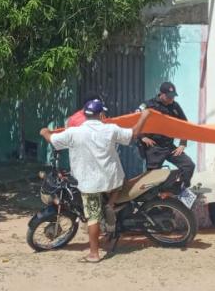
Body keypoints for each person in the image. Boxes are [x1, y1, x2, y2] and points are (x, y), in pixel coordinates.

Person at [40, 100, 150, 263]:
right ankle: (110, 205)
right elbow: (133, 134)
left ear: (85, 114)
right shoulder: (110, 129)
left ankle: (94, 254)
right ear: (101, 115)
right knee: (119, 182)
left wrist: (44, 132)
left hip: (89, 184)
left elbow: (52, 139)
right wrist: (144, 117)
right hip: (112, 181)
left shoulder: (73, 133)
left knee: (93, 217)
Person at [140, 81, 195, 188]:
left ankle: (179, 191)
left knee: (189, 165)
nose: (172, 99)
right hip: (154, 147)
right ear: (162, 94)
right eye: (169, 96)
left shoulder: (175, 106)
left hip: (170, 147)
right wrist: (143, 136)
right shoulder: (148, 105)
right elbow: (134, 120)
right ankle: (154, 201)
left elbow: (184, 125)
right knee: (152, 178)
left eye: (173, 96)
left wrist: (182, 143)